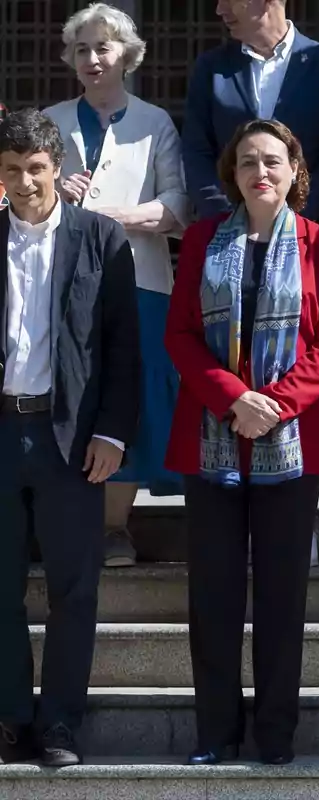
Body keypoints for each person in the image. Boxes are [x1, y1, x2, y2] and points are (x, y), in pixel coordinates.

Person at [164, 119, 319, 766]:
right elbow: (180, 335)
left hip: (291, 446)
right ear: (232, 175)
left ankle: (274, 736)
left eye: (273, 161)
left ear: (296, 171)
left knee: (280, 600)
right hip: (212, 439)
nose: (260, 172)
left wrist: (272, 406)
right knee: (212, 598)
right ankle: (215, 733)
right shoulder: (199, 242)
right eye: (248, 162)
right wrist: (232, 397)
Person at [0, 109, 139, 767]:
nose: (25, 182)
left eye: (35, 168)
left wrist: (112, 433)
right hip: (2, 432)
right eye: (11, 169)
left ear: (58, 170)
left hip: (71, 439)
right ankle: (9, 718)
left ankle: (58, 725)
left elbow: (121, 347)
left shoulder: (100, 238)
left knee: (73, 589)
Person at [44, 2, 190, 569]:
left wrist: (107, 215)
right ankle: (65, 521)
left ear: (126, 56)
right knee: (72, 397)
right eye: (81, 49)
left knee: (132, 399)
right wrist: (59, 197)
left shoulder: (154, 122)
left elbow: (176, 205)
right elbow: (22, 197)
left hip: (140, 282)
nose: (91, 59)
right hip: (61, 285)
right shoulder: (51, 120)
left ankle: (114, 528)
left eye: (102, 47)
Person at [183, 0, 319, 226]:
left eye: (228, 1)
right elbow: (196, 151)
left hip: (305, 233)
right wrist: (226, 216)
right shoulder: (210, 68)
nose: (220, 10)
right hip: (225, 233)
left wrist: (293, 216)